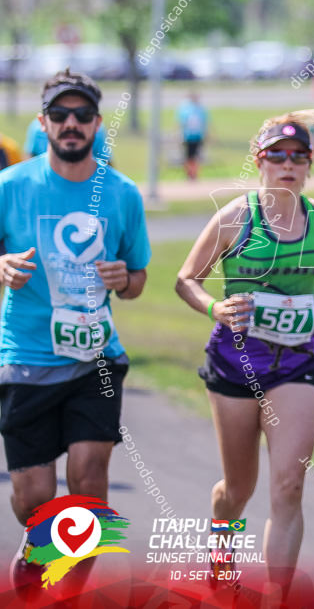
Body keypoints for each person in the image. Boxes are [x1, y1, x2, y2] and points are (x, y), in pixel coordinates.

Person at [175, 110, 314, 594]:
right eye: (276, 155)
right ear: (259, 161)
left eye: (299, 156)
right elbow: (186, 279)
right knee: (238, 490)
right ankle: (221, 543)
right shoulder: (235, 216)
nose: (288, 164)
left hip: (296, 361)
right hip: (236, 361)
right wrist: (216, 308)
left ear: (309, 165)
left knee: (288, 488)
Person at [0, 69, 150, 593]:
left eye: (82, 115)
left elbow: (138, 280)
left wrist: (123, 278)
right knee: (33, 501)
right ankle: (39, 545)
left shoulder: (122, 193)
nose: (71, 124)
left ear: (96, 124)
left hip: (96, 359)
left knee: (88, 485)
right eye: (60, 115)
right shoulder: (9, 186)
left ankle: (64, 596)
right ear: (43, 123)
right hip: (25, 358)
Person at [177, 91, 209, 181]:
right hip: (188, 136)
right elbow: (181, 123)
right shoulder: (186, 109)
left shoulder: (200, 110)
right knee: (188, 157)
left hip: (197, 137)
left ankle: (194, 174)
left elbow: (204, 123)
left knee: (196, 157)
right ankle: (189, 174)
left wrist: (207, 135)